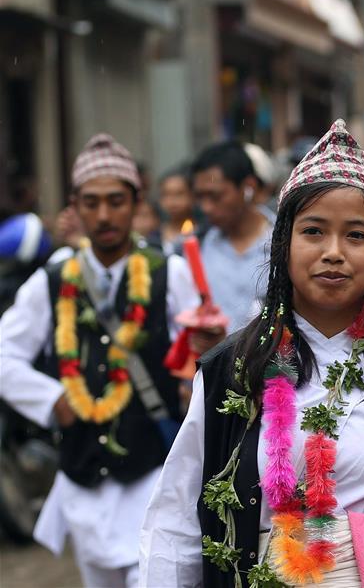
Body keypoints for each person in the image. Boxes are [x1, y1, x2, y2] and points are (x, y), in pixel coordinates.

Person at [140, 120, 364, 587]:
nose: (333, 252)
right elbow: (174, 521)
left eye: (357, 235)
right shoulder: (230, 372)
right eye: (314, 231)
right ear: (284, 244)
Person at [0, 133, 221, 587]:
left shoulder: (168, 272)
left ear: (136, 202)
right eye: (92, 202)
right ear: (75, 205)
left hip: (153, 474)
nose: (104, 215)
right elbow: (5, 352)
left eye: (116, 201)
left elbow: (203, 357)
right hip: (83, 480)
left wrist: (205, 351)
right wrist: (52, 399)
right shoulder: (55, 277)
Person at [191, 140, 275, 333]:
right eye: (200, 197)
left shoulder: (285, 241)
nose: (206, 207)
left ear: (248, 187)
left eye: (216, 196)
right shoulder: (198, 245)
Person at [157, 164, 196, 255]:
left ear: (192, 196)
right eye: (166, 195)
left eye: (179, 194)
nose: (172, 202)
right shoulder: (154, 238)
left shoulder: (204, 235)